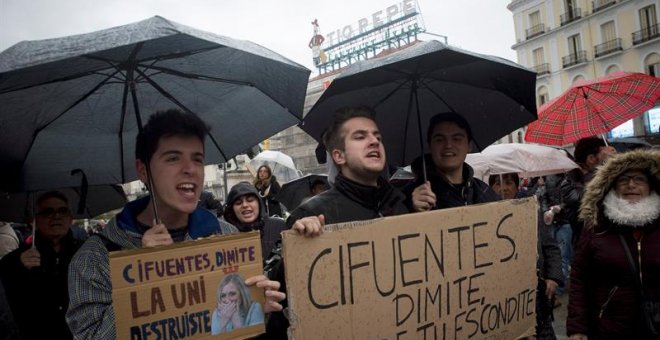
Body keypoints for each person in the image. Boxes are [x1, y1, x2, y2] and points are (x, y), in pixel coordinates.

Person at [66, 109, 285, 339]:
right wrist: (141, 279)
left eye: (197, 159)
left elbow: (238, 329)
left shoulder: (226, 236)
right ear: (143, 170)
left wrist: (258, 308)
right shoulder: (95, 257)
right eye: (173, 158)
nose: (189, 169)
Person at [567, 149, 660, 339]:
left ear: (650, 186)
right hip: (609, 328)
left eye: (639, 179)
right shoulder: (597, 226)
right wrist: (578, 328)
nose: (631, 185)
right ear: (612, 186)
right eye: (623, 179)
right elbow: (579, 279)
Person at [0, 191, 83, 340]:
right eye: (48, 212)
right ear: (35, 220)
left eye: (62, 211)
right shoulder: (16, 259)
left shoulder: (87, 252)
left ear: (71, 218)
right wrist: (18, 267)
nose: (56, 216)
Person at [557, 137, 616, 297]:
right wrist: (606, 169)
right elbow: (585, 199)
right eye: (606, 155)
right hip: (591, 259)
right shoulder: (570, 184)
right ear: (591, 159)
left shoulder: (613, 179)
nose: (613, 158)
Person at [407, 112, 499, 212]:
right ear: (430, 146)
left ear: (469, 146)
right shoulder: (410, 197)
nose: (448, 145)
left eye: (456, 139)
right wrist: (411, 209)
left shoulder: (484, 191)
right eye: (439, 140)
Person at [223, 181, 287, 262]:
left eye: (250, 200)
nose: (245, 205)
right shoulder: (226, 235)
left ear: (259, 203)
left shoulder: (278, 226)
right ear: (232, 210)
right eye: (238, 203)